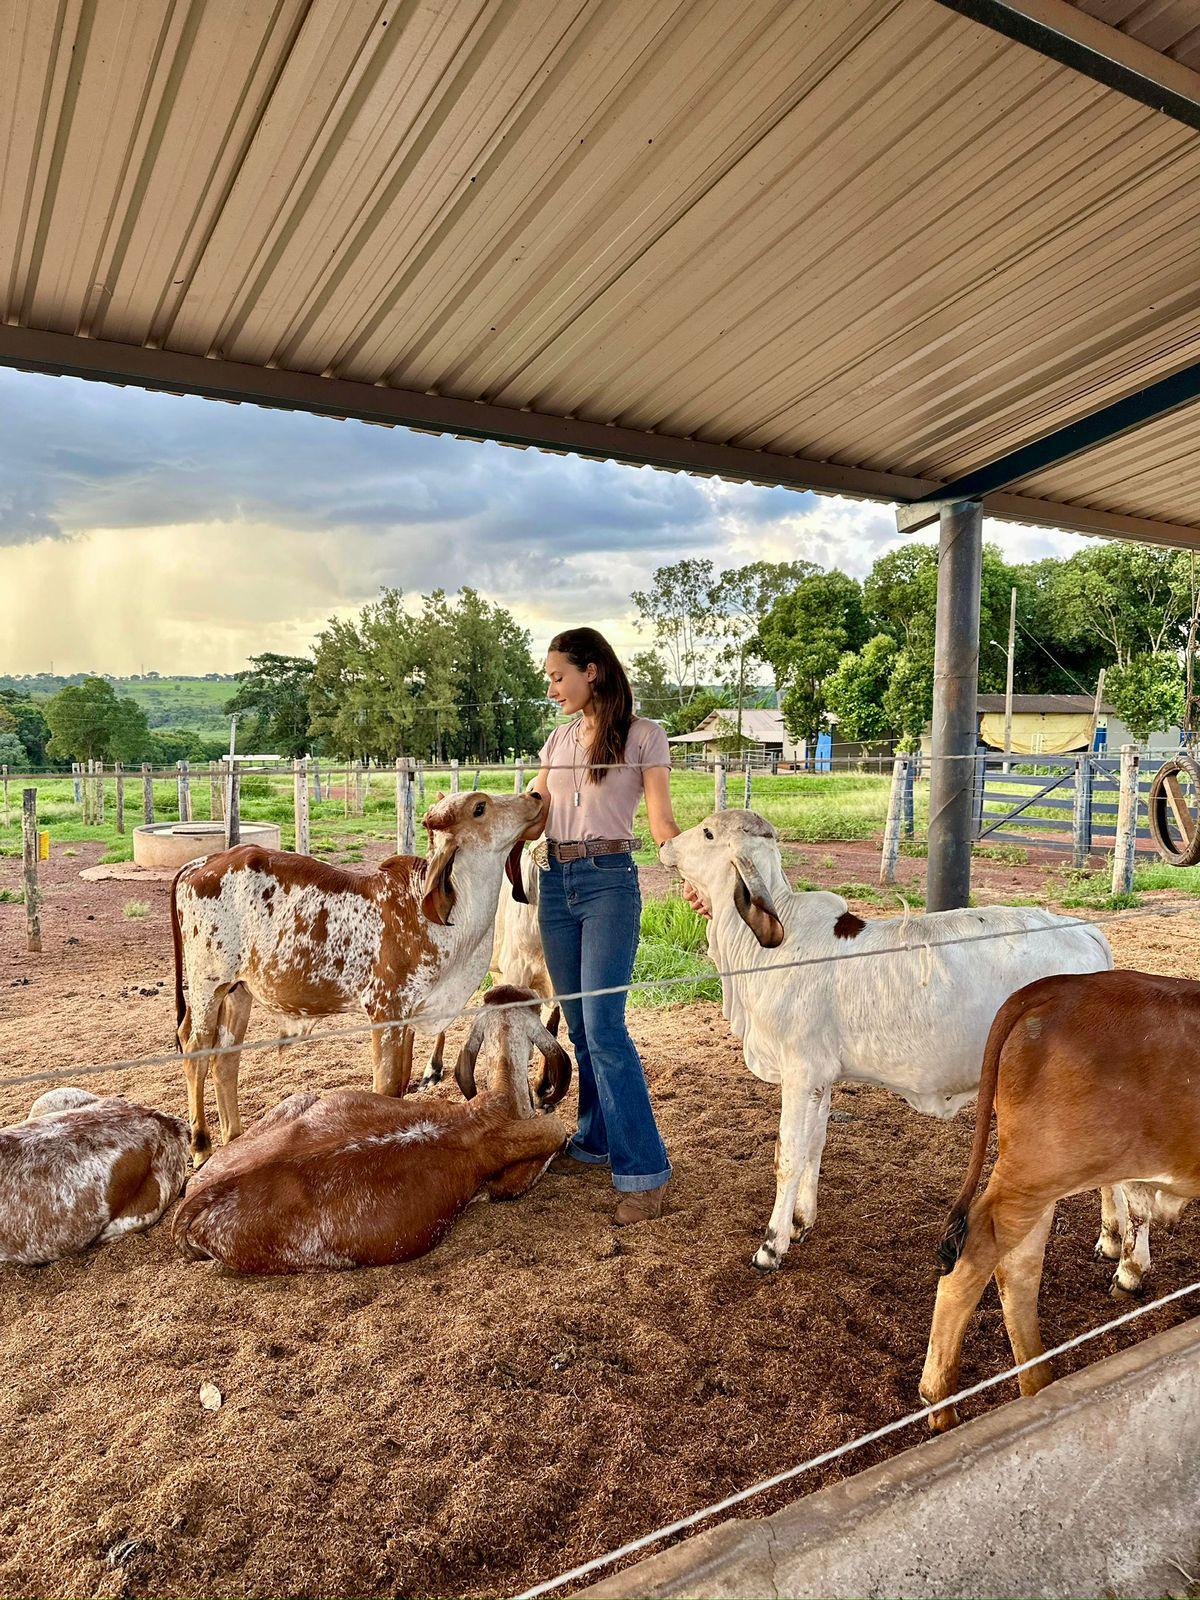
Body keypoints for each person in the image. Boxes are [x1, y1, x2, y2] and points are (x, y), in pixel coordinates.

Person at [531, 627, 701, 1226]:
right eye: (549, 678)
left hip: (608, 882)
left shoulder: (643, 736)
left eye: (557, 676)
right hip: (555, 883)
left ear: (591, 671)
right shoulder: (556, 740)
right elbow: (530, 811)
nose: (551, 688)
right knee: (579, 1026)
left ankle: (645, 1171)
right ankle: (595, 1139)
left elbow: (661, 823)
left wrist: (691, 875)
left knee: (605, 1026)